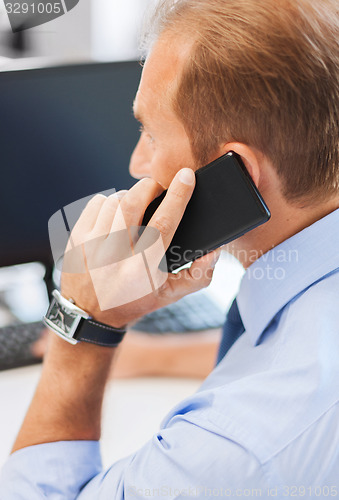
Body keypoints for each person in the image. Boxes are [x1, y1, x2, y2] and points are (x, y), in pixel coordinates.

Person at [1, 0, 339, 497]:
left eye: (149, 132)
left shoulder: (235, 451)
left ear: (234, 176)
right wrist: (158, 355)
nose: (138, 162)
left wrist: (84, 320)